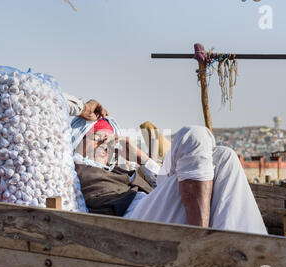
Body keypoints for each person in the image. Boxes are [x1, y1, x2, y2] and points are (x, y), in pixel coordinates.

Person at [64, 95, 267, 235]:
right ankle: (200, 238)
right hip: (130, 223)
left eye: (108, 140)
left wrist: (141, 158)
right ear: (77, 138)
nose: (104, 145)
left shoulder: (124, 169)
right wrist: (81, 107)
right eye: (97, 138)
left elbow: (162, 186)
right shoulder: (69, 167)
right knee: (193, 135)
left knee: (225, 155)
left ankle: (244, 246)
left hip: (152, 209)